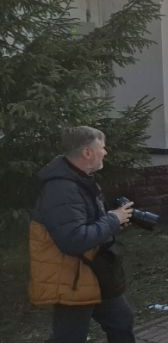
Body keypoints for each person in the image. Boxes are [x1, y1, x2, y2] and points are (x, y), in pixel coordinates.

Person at [29, 126, 136, 343]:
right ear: (87, 152)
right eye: (102, 147)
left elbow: (86, 221)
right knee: (69, 337)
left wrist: (115, 221)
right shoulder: (61, 188)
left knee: (121, 322)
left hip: (94, 271)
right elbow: (74, 239)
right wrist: (112, 220)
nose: (105, 152)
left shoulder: (79, 179)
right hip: (72, 277)